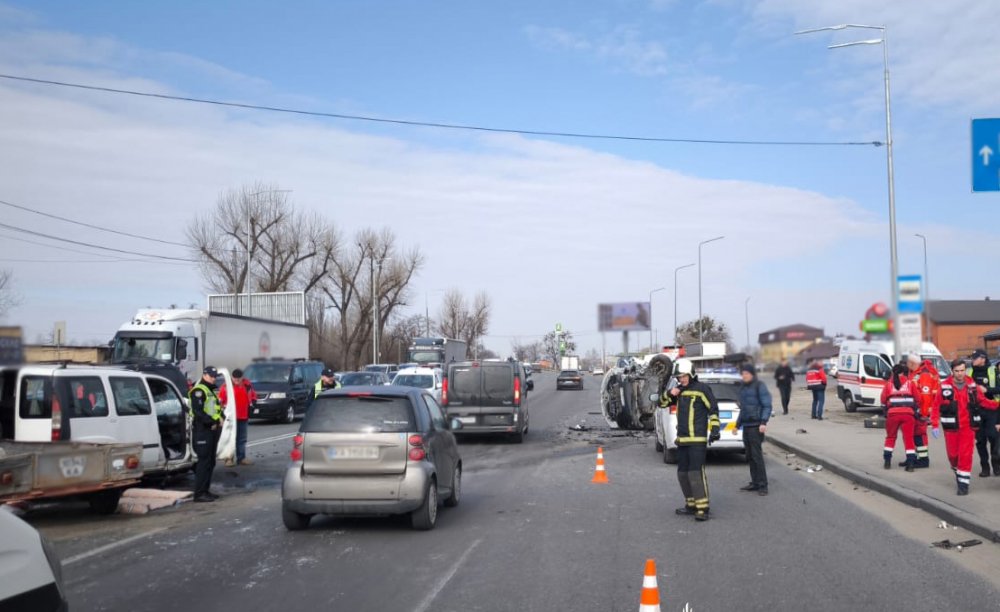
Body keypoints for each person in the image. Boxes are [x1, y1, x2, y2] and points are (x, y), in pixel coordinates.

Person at [661, 358, 720, 521]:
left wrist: (715, 429)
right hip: (683, 439)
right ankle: (691, 504)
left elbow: (713, 410)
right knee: (682, 474)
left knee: (695, 473)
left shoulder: (703, 389)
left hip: (697, 440)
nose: (681, 379)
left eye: (684, 376)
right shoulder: (678, 390)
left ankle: (703, 508)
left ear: (691, 374)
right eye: (679, 377)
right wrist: (669, 393)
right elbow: (661, 403)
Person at [932, 359, 998, 495]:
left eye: (962, 370)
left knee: (966, 455)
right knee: (953, 456)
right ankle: (958, 471)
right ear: (952, 371)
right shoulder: (944, 386)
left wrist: (997, 404)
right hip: (951, 429)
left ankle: (963, 485)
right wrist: (934, 424)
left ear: (965, 370)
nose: (960, 374)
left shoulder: (972, 386)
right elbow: (935, 406)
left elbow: (983, 401)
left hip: (968, 427)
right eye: (957, 371)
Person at [189, 366, 224, 502]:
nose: (213, 378)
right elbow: (198, 413)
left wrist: (222, 416)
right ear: (204, 375)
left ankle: (205, 490)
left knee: (210, 462)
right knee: (203, 463)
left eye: (215, 376)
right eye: (211, 375)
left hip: (211, 431)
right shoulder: (199, 391)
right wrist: (213, 421)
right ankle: (199, 494)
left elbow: (214, 408)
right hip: (202, 431)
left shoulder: (210, 390)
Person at [737, 363, 772, 495]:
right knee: (750, 456)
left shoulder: (759, 386)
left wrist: (763, 422)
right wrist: (737, 424)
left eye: (746, 373)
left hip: (756, 426)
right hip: (746, 426)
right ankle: (755, 482)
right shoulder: (743, 387)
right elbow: (743, 409)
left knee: (757, 456)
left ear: (752, 374)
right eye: (743, 373)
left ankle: (763, 485)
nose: (744, 376)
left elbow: (767, 405)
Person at [880, 363, 919, 472]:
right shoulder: (910, 384)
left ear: (893, 372)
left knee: (891, 437)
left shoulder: (888, 384)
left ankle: (887, 462)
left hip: (892, 415)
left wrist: (886, 411)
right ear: (904, 372)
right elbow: (918, 399)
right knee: (909, 438)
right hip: (908, 415)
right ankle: (910, 464)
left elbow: (883, 401)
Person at [968, 349, 1000, 476]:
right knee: (980, 440)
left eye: (975, 358)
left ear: (983, 358)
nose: (973, 360)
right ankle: (984, 467)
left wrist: (986, 389)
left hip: (992, 410)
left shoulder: (993, 371)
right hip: (976, 410)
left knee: (993, 438)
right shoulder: (969, 371)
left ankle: (996, 466)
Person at [906, 354, 940, 468]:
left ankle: (923, 460)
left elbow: (926, 396)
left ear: (912, 363)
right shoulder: (917, 373)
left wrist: (923, 413)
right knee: (915, 435)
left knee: (919, 435)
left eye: (908, 362)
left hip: (921, 411)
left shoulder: (924, 374)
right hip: (916, 410)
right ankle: (916, 458)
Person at [218, 368, 257, 467]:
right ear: (231, 377)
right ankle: (229, 459)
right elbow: (220, 400)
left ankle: (241, 458)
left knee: (242, 438)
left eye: (238, 379)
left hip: (243, 415)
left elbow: (253, 396)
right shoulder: (226, 386)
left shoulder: (247, 385)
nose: (237, 381)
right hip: (231, 417)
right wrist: (221, 413)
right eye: (235, 379)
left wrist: (253, 404)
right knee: (230, 438)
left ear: (242, 378)